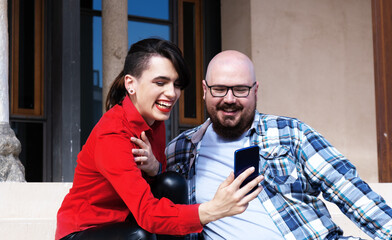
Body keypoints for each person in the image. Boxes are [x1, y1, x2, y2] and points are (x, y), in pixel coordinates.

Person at [164, 50, 392, 240]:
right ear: (205, 91)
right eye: (220, 89)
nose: (230, 99)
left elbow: (350, 191)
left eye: (240, 89)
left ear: (255, 90)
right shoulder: (181, 151)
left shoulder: (291, 134)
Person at [55, 39, 263, 240]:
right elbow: (148, 214)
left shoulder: (155, 121)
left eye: (177, 84)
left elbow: (157, 190)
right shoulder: (112, 134)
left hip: (128, 220)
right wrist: (214, 209)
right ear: (131, 84)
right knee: (139, 236)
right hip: (86, 230)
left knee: (171, 182)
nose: (172, 93)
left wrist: (155, 168)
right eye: (160, 82)